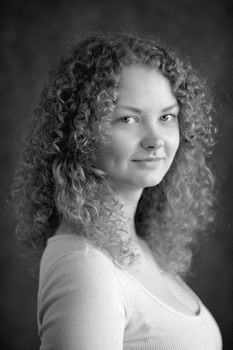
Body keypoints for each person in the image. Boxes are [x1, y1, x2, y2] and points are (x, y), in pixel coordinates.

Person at [12, 31, 222, 349]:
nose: (156, 140)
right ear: (80, 132)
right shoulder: (85, 265)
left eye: (167, 116)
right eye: (127, 119)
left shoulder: (136, 242)